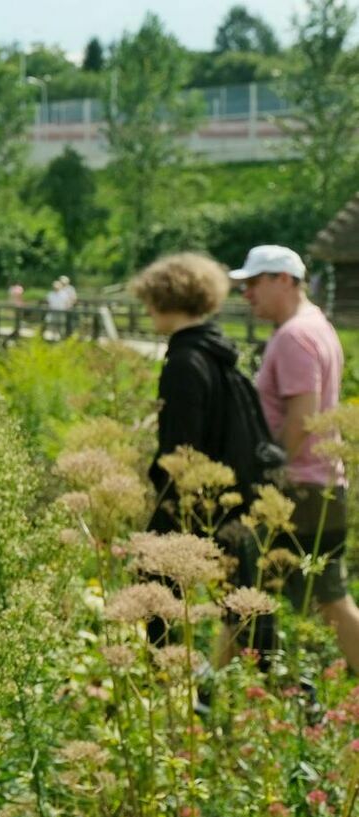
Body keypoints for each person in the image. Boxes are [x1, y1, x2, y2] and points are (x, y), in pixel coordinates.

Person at [130, 254, 269, 652]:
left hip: (193, 498)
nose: (147, 310)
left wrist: (161, 491)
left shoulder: (184, 361)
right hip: (227, 488)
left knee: (156, 588)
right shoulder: (216, 350)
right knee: (238, 590)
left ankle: (165, 678)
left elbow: (183, 443)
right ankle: (245, 675)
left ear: (164, 299)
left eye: (150, 301)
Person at [232, 244, 359, 670]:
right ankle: (221, 689)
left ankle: (216, 691)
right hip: (319, 484)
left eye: (253, 283)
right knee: (311, 597)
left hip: (299, 488)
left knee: (254, 595)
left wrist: (271, 472)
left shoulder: (293, 337)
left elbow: (302, 417)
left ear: (283, 280)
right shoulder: (316, 325)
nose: (246, 294)